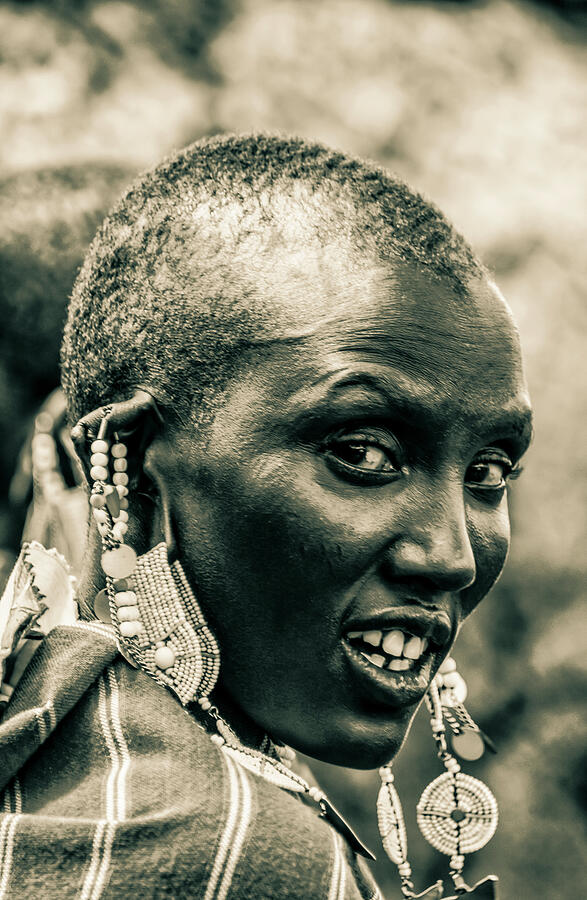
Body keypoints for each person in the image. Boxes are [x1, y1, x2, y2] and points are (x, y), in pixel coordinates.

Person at [0, 134, 532, 899]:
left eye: (488, 472)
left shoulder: (49, 739)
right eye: (363, 452)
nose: (453, 557)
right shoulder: (237, 850)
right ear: (133, 459)